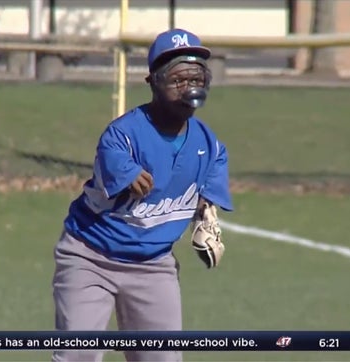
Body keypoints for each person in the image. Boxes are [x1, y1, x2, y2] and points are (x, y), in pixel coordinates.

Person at [51, 28, 233, 362]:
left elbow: (207, 195)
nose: (189, 86)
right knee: (78, 356)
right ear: (153, 83)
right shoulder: (122, 136)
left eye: (196, 77)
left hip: (153, 265)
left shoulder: (211, 146)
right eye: (177, 79)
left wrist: (206, 220)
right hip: (91, 258)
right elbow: (117, 167)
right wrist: (130, 173)